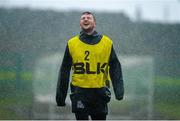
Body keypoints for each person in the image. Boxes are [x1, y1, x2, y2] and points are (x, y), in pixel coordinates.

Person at [56, 11, 124, 120]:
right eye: (83, 18)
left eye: (89, 18)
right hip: (80, 93)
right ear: (80, 24)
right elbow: (64, 70)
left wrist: (119, 91)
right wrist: (60, 97)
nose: (86, 19)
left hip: (100, 93)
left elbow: (115, 67)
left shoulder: (107, 43)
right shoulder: (72, 43)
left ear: (94, 23)